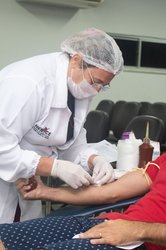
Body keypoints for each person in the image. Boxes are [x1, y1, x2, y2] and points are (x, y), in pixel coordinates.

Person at [1, 83, 166, 250]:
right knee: (5, 236)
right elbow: (111, 192)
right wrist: (45, 192)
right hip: (112, 225)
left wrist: (137, 230)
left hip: (139, 242)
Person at [0, 27, 124, 223]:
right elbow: (2, 149)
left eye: (103, 86)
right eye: (96, 82)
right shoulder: (29, 83)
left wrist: (93, 159)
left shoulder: (79, 86)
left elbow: (70, 141)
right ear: (76, 60)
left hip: (27, 186)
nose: (96, 91)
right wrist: (54, 167)